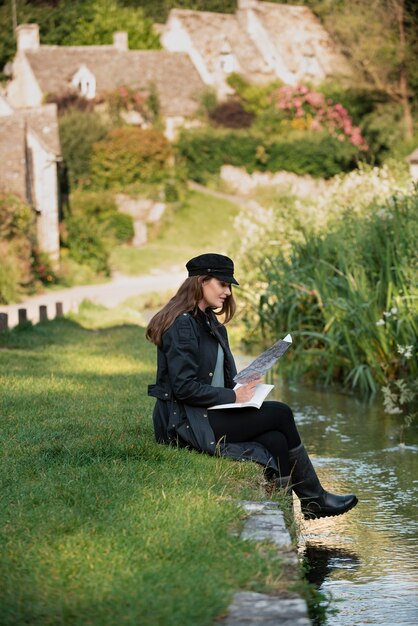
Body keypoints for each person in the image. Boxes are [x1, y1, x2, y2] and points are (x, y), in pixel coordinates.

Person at [146, 253, 358, 519]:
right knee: (280, 413)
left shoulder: (209, 322)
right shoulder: (183, 325)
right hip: (184, 423)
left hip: (205, 412)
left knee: (276, 439)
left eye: (229, 286)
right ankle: (315, 499)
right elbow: (184, 388)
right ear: (202, 281)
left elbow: (211, 379)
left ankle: (288, 511)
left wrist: (244, 382)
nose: (227, 292)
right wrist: (234, 396)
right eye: (222, 284)